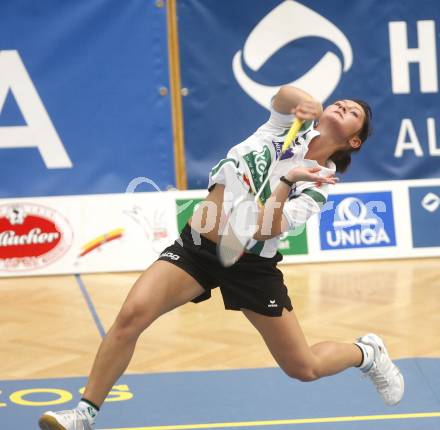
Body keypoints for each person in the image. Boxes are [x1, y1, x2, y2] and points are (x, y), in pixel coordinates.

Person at [38, 86, 404, 430]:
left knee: (302, 367)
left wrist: (287, 181)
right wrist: (308, 103)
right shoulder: (284, 129)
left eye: (353, 112)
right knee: (132, 315)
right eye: (340, 102)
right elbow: (283, 96)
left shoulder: (318, 184)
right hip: (197, 247)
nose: (343, 106)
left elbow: (264, 229)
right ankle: (84, 414)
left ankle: (365, 353)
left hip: (250, 266)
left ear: (354, 139)